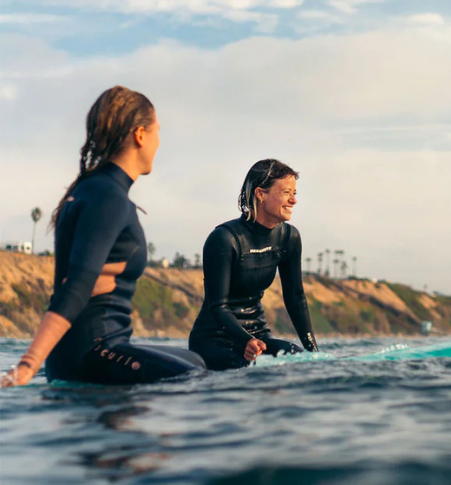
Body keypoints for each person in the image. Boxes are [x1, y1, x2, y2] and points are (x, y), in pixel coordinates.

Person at [1, 86, 205, 387]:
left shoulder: (95, 190)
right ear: (140, 135)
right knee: (192, 378)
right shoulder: (107, 198)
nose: (160, 141)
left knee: (196, 361)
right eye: (157, 131)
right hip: (91, 353)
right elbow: (77, 286)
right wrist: (28, 365)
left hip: (95, 350)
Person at [189, 159, 319, 370]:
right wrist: (245, 340)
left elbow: (295, 297)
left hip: (258, 336)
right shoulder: (225, 239)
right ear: (261, 194)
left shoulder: (289, 237)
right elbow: (218, 307)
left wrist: (314, 353)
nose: (293, 200)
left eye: (295, 193)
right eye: (287, 192)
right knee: (253, 368)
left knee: (300, 360)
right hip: (215, 339)